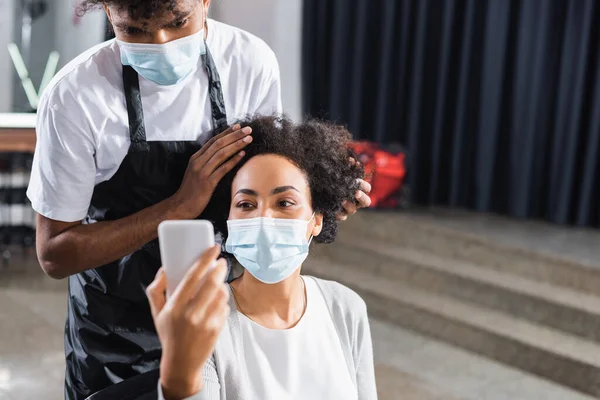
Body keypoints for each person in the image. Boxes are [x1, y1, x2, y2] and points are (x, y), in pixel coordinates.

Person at [26, 1, 372, 399]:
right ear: (107, 11)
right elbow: (54, 253)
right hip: (115, 338)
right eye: (135, 31)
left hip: (221, 318)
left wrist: (321, 199)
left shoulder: (249, 62)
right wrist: (177, 208)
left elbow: (264, 179)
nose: (162, 43)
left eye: (178, 22)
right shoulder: (74, 97)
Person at [147, 115, 377, 400]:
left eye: (284, 203)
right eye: (246, 204)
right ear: (228, 220)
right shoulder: (205, 319)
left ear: (316, 219)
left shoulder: (345, 308)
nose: (264, 218)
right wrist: (179, 372)